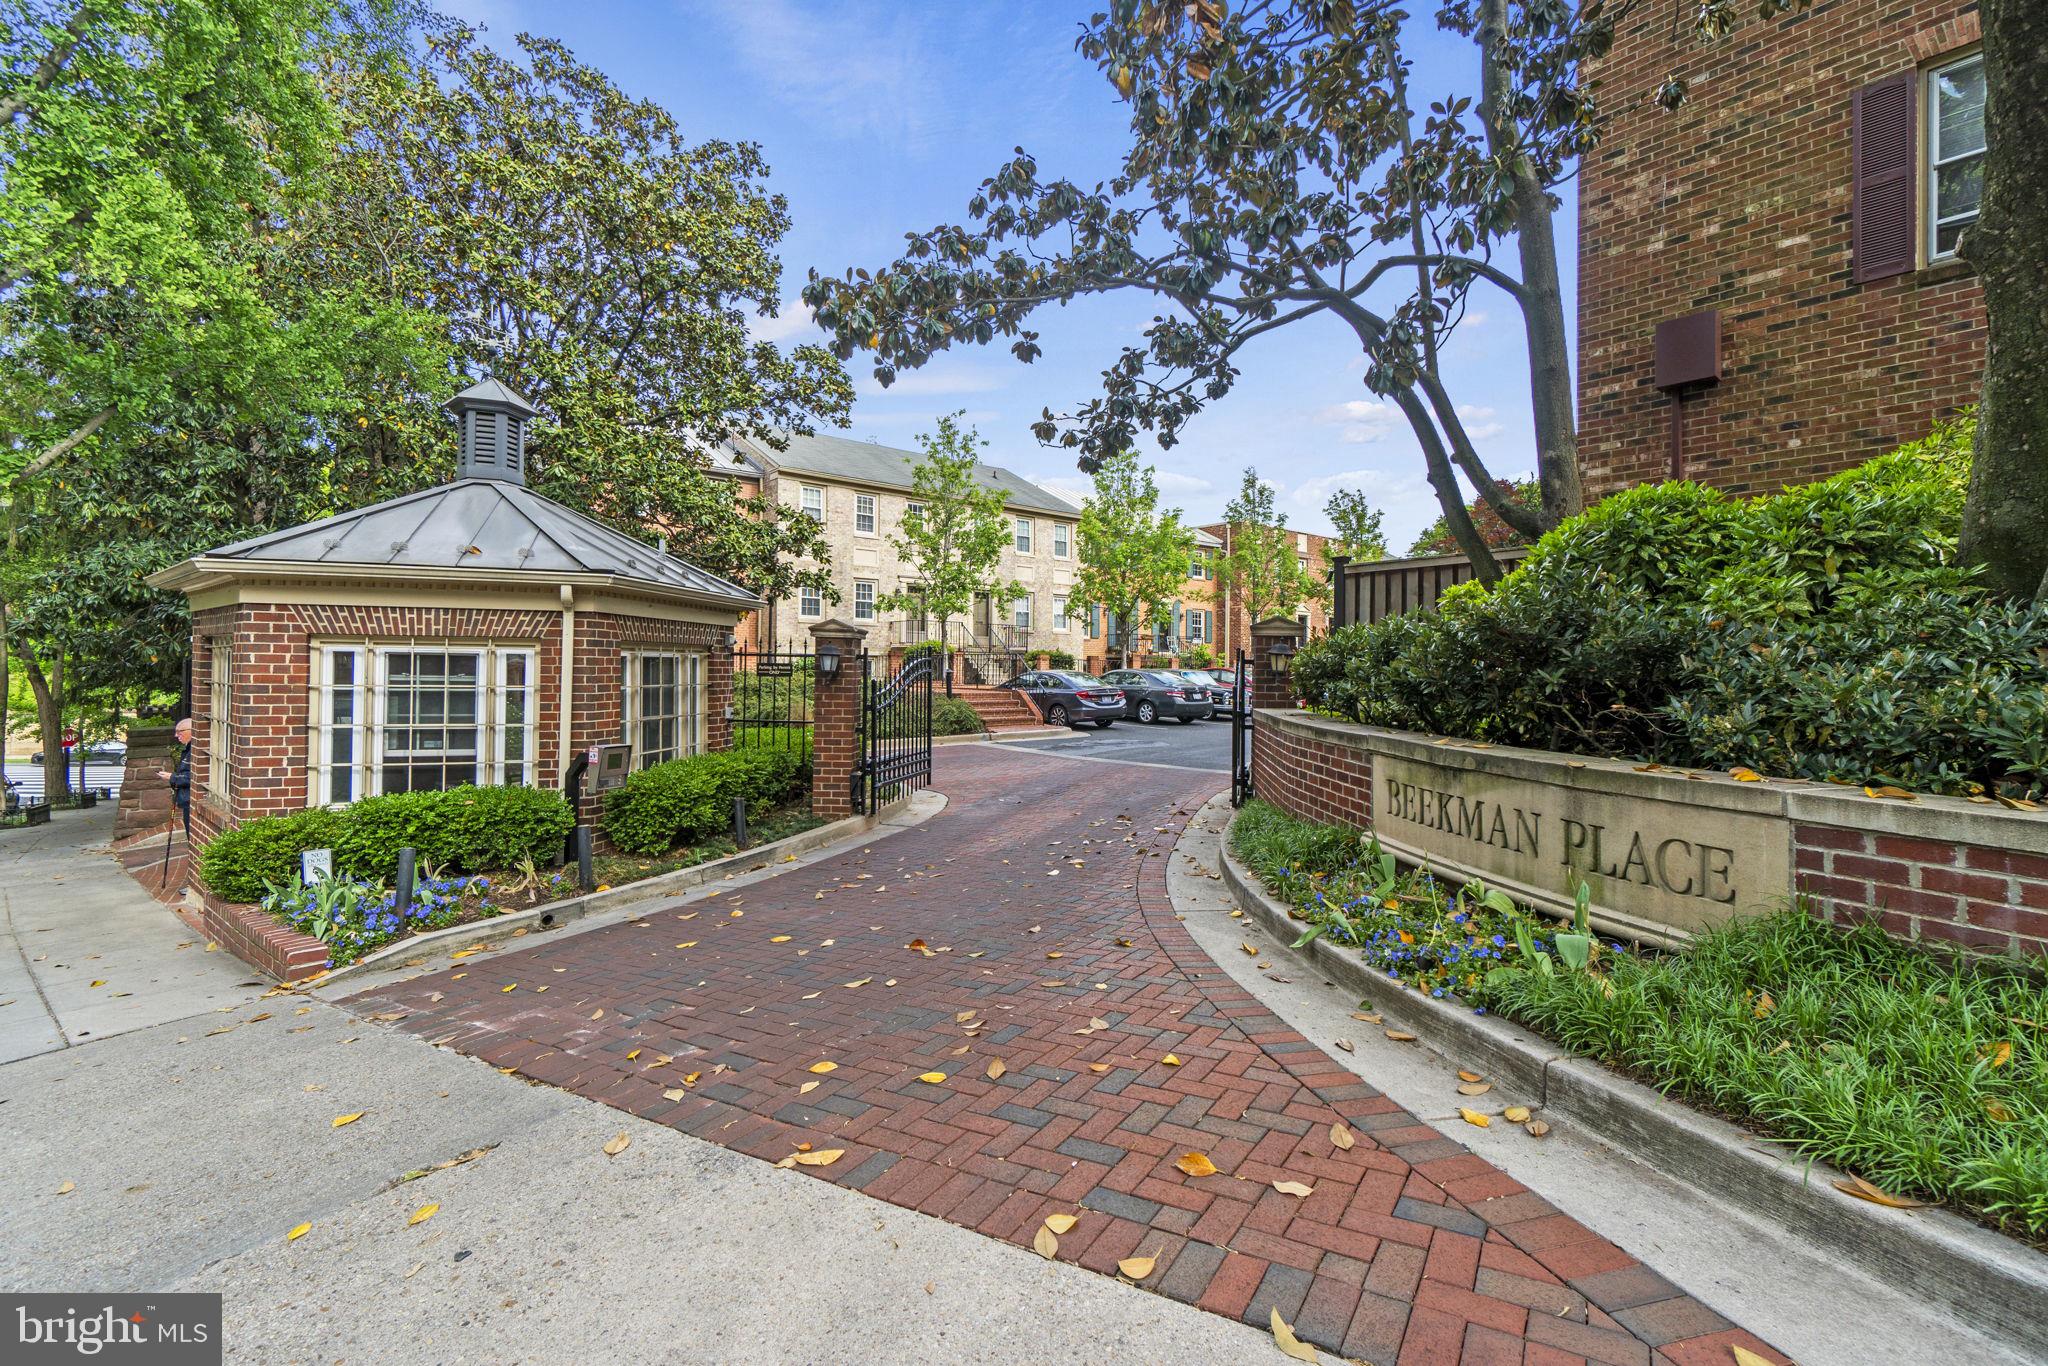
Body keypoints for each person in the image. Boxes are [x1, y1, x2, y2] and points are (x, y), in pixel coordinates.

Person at [156, 718, 193, 818]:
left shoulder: (194, 751)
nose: (176, 735)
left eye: (179, 732)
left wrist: (172, 777)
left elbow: (193, 777)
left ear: (191, 730)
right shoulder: (188, 749)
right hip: (187, 801)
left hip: (192, 801)